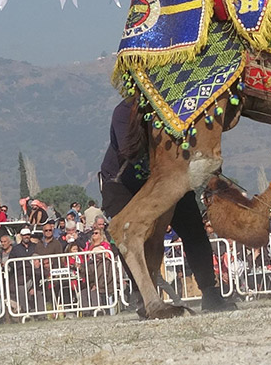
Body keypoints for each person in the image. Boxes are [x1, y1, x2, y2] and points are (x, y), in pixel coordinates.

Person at [99, 99, 235, 313]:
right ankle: (143, 296)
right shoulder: (125, 111)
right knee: (128, 236)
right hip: (123, 182)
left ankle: (210, 291)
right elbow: (130, 151)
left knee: (194, 231)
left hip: (167, 179)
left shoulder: (175, 110)